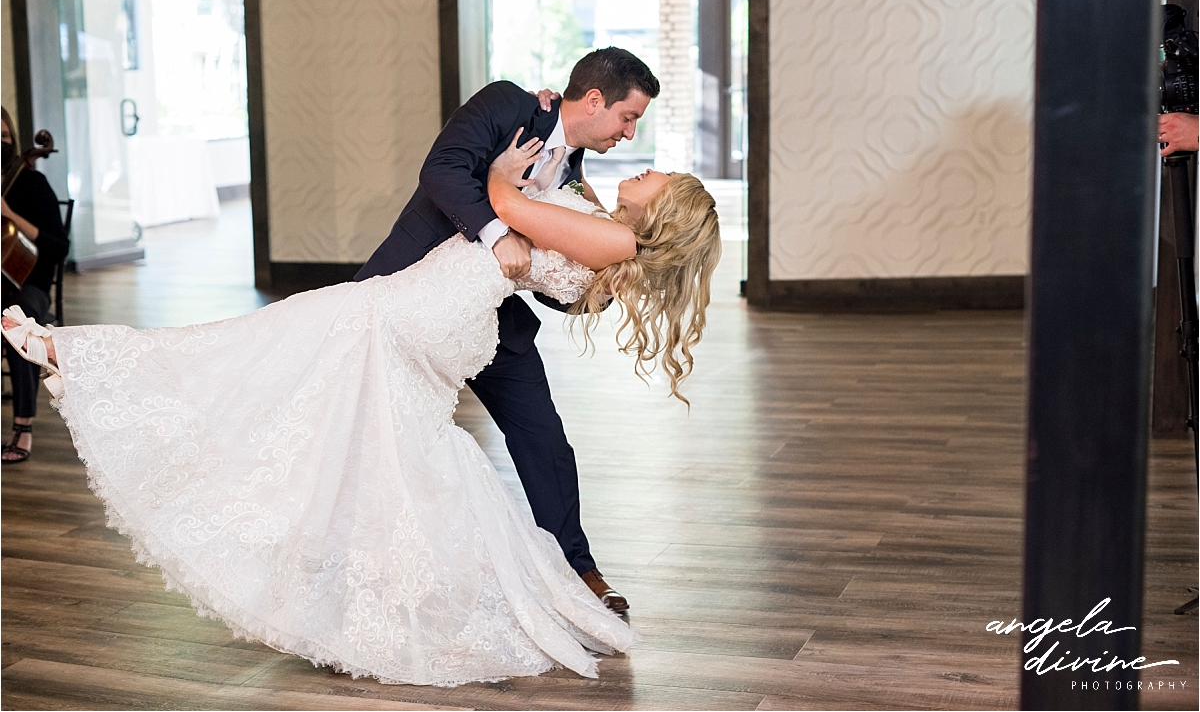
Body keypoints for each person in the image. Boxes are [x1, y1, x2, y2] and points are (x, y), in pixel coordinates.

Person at [1, 91, 720, 686]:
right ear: (593, 98)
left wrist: (503, 172)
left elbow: (508, 203)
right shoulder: (596, 209)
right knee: (350, 420)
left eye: (658, 174)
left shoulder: (616, 238)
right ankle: (79, 355)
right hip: (431, 306)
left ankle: (78, 354)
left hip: (415, 311)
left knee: (264, 351)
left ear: (661, 212)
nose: (645, 156)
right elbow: (498, 203)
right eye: (633, 124)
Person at [357, 44, 673, 617]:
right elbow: (442, 171)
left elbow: (560, 287)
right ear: (595, 101)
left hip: (493, 321)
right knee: (379, 438)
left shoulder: (574, 175)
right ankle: (361, 579)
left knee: (544, 439)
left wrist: (605, 280)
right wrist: (499, 234)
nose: (629, 135)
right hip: (411, 296)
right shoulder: (509, 105)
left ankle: (579, 571)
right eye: (628, 117)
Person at [1, 108, 69, 465]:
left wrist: (10, 216)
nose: (0, 144)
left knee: (17, 321)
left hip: (30, 283)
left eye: (5, 138)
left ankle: (23, 425)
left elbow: (59, 248)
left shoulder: (32, 184)